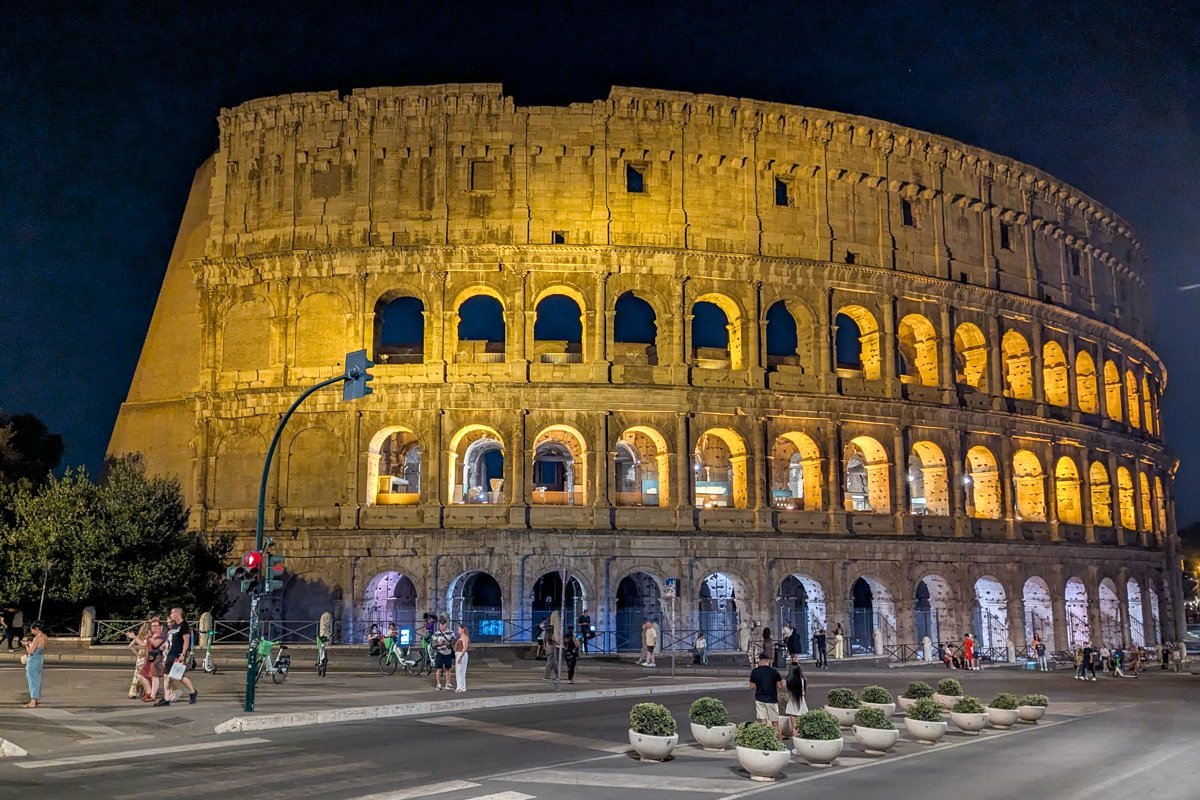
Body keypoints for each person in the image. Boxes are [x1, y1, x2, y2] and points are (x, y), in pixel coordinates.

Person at [157, 607, 197, 705]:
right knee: (166, 676)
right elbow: (172, 641)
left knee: (179, 676)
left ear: (177, 613)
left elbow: (186, 641)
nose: (171, 615)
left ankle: (193, 692)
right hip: (171, 654)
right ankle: (166, 699)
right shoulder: (175, 626)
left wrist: (183, 654)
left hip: (178, 654)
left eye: (172, 612)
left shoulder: (184, 625)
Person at [127, 617, 165, 702]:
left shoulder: (160, 635)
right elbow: (143, 644)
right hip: (148, 657)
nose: (153, 628)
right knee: (143, 675)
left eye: (155, 626)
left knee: (153, 676)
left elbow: (155, 645)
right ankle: (149, 692)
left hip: (154, 657)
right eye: (152, 626)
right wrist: (134, 637)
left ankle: (151, 694)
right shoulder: (151, 636)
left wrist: (147, 639)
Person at [748, 652, 784, 740]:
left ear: (759, 660)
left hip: (759, 699)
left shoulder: (754, 671)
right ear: (768, 661)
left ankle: (765, 741)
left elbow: (751, 686)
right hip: (772, 699)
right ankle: (779, 742)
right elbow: (780, 686)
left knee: (763, 722)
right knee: (775, 723)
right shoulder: (774, 671)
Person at [23, 621, 47, 708]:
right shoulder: (45, 637)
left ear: (36, 629)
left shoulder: (37, 638)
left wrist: (26, 645)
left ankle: (33, 701)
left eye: (32, 630)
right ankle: (35, 699)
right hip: (39, 659)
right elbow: (39, 647)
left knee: (32, 680)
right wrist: (31, 644)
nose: (32, 632)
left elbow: (31, 651)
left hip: (33, 660)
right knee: (37, 679)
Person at [783, 664, 808, 741]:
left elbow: (788, 691)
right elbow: (805, 691)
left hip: (792, 702)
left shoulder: (789, 681)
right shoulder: (803, 680)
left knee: (794, 726)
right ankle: (801, 742)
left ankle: (795, 743)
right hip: (801, 702)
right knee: (802, 726)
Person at [432, 617, 455, 690]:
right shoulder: (436, 633)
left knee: (448, 668)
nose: (443, 627)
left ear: (446, 625)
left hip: (448, 653)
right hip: (440, 653)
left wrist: (449, 643)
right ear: (439, 625)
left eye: (444, 626)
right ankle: (438, 684)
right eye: (441, 626)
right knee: (439, 669)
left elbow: (454, 641)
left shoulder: (451, 632)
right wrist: (439, 644)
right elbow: (433, 645)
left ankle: (447, 683)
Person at [543, 611, 563, 680]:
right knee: (551, 661)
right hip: (552, 645)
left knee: (553, 661)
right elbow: (551, 638)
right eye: (559, 617)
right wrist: (559, 643)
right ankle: (548, 676)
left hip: (551, 645)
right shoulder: (552, 628)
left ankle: (557, 675)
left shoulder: (551, 627)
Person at [453, 623, 470, 692]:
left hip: (461, 654)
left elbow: (465, 647)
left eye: (459, 629)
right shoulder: (460, 638)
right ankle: (462, 686)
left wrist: (460, 657)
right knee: (459, 671)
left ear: (463, 629)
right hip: (458, 654)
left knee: (460, 671)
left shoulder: (465, 637)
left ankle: (460, 687)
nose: (458, 630)